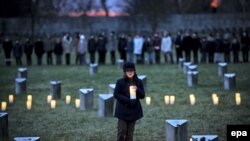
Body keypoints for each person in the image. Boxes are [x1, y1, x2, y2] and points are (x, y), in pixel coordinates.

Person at [114, 62, 145, 141]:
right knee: (121, 131)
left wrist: (137, 89)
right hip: (122, 110)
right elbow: (116, 94)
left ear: (134, 71)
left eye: (132, 71)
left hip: (133, 110)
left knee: (130, 133)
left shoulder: (138, 82)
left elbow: (142, 96)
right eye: (128, 71)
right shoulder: (120, 82)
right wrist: (128, 100)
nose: (130, 72)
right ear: (124, 72)